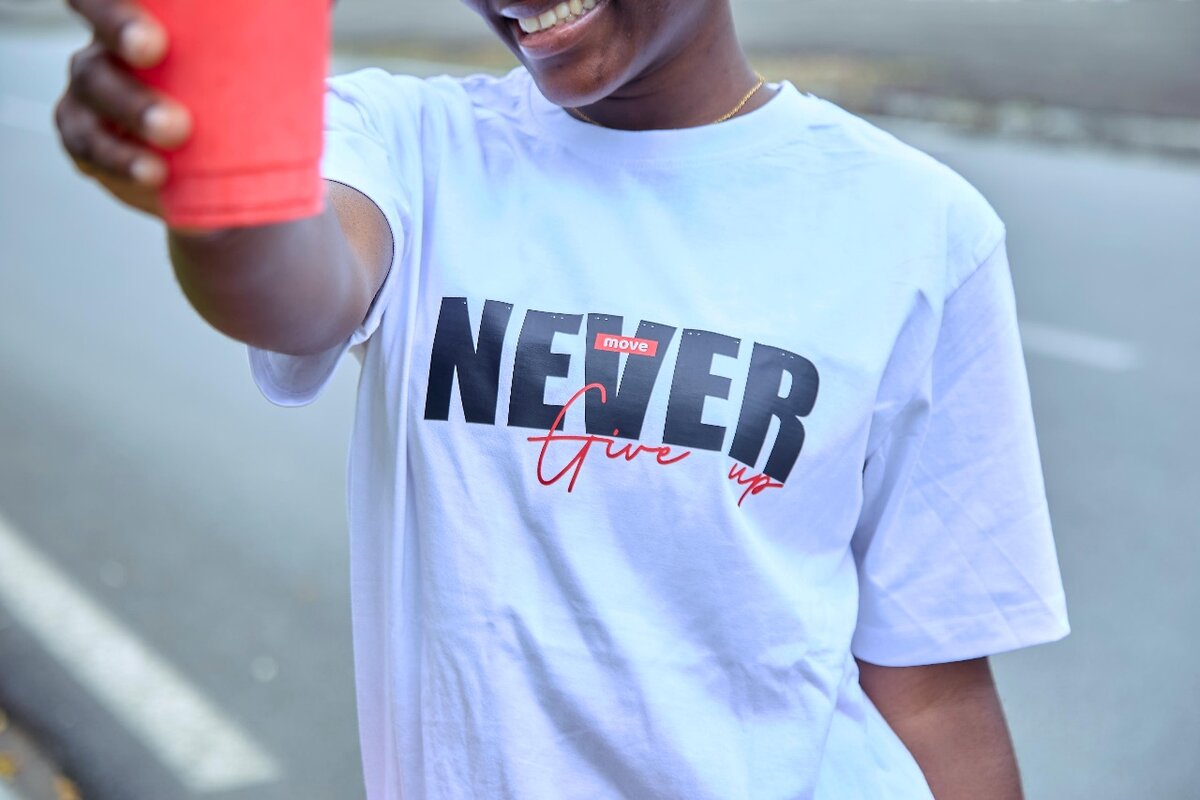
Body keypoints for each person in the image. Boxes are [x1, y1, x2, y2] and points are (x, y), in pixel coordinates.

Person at [55, 0, 1071, 797]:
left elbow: (932, 691)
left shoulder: (921, 228)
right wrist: (215, 167)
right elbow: (290, 284)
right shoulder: (412, 147)